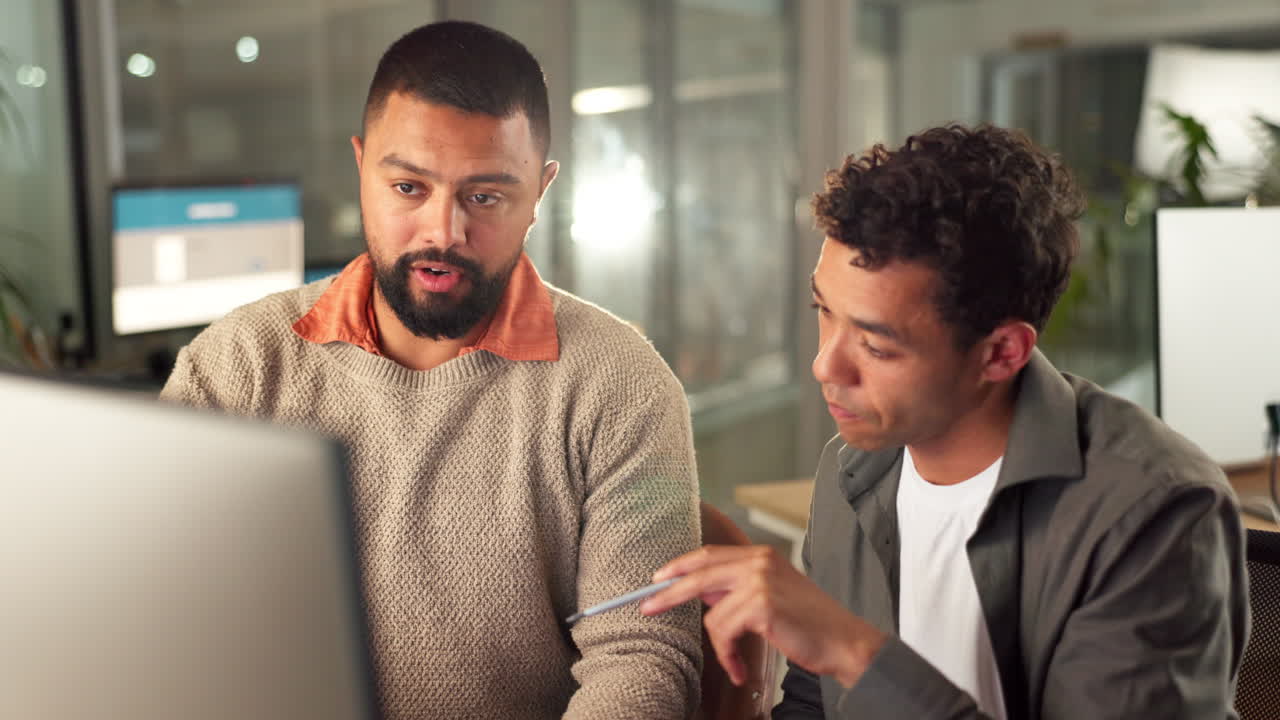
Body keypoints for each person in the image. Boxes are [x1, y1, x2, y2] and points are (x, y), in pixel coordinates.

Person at [161, 21, 701, 720]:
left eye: (485, 197)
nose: (443, 231)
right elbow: (159, 610)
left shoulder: (622, 383)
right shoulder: (237, 367)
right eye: (409, 187)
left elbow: (643, 657)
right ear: (361, 168)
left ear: (540, 192)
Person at [640, 124, 1249, 719]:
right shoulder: (852, 469)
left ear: (1001, 352)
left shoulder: (1149, 511)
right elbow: (812, 704)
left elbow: (846, 662)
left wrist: (856, 651)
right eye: (824, 312)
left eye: (877, 347)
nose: (825, 364)